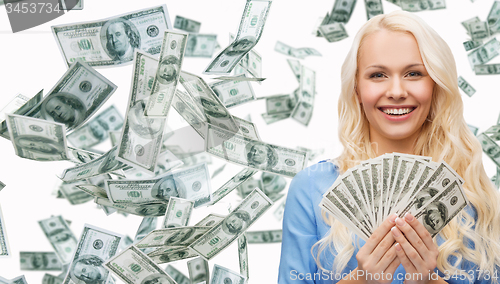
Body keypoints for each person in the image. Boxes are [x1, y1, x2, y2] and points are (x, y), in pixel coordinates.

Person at [279, 11, 500, 284]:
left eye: (414, 73)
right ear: (357, 89)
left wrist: (430, 282)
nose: (396, 91)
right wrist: (360, 281)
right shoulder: (311, 189)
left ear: (435, 85)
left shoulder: (475, 195)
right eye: (378, 75)